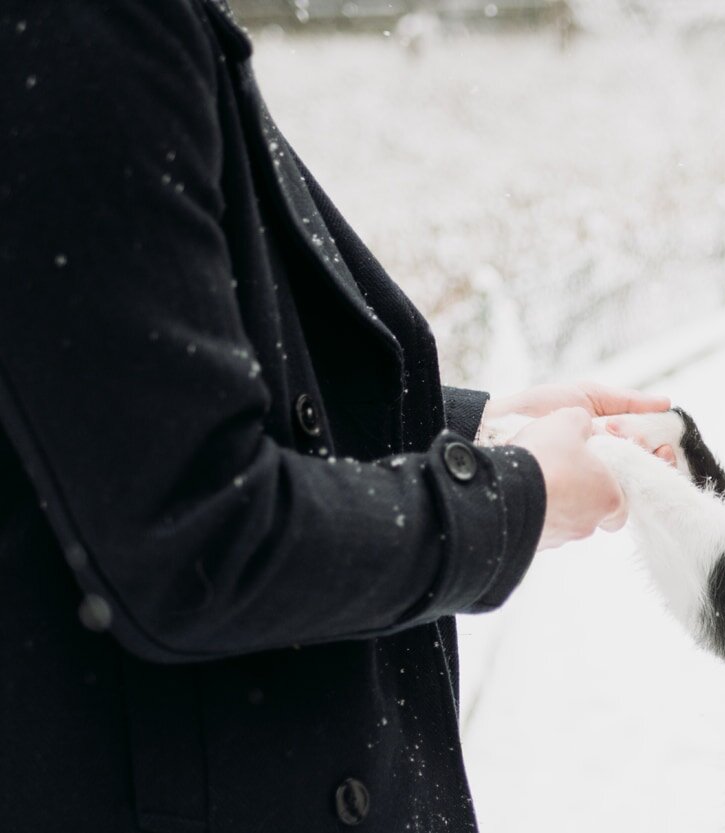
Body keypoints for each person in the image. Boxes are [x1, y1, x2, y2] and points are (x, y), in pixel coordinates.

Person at [0, 1, 667, 830]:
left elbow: (115, 411)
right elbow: (197, 533)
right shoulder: (81, 28)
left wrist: (455, 431)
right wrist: (507, 502)